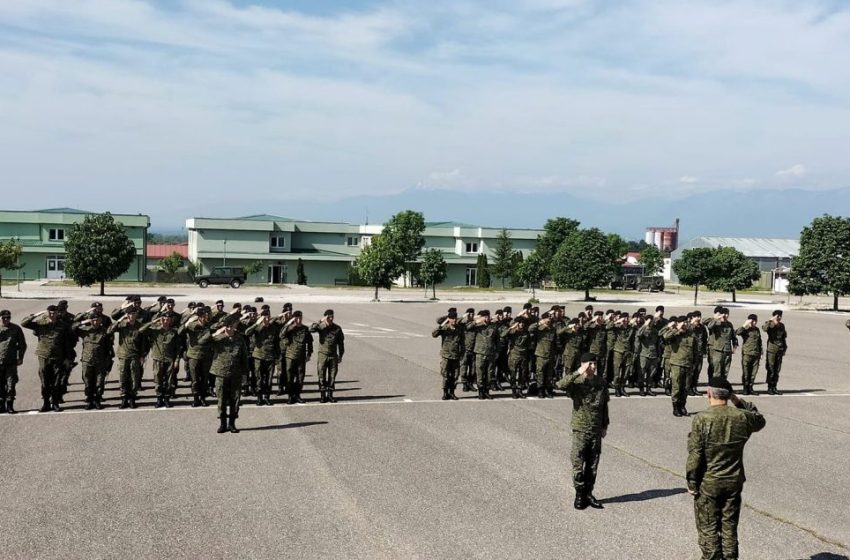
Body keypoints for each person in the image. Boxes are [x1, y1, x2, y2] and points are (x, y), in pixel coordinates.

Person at [687, 377, 766, 560]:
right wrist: (737, 401)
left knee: (708, 527)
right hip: (734, 480)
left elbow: (695, 454)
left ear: (708, 394)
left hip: (709, 482)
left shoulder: (702, 419)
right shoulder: (742, 417)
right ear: (728, 395)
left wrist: (692, 481)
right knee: (729, 525)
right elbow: (760, 420)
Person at [556, 353, 609, 510]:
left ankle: (589, 493)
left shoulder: (601, 382)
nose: (593, 367)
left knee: (593, 464)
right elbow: (560, 385)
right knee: (578, 462)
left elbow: (604, 405)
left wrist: (605, 426)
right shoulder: (577, 382)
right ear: (584, 365)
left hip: (595, 429)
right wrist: (578, 372)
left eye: (595, 364)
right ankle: (579, 494)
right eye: (590, 364)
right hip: (581, 429)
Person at [202, 315, 250, 433]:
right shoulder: (218, 338)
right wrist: (215, 331)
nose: (230, 328)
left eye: (232, 326)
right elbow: (202, 341)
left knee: (235, 399)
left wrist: (245, 376)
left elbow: (244, 357)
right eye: (228, 326)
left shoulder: (240, 339)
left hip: (236, 373)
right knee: (221, 400)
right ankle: (223, 424)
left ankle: (232, 424)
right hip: (221, 373)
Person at [21, 305, 70, 412]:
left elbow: (67, 342)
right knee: (45, 381)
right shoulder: (40, 324)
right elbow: (24, 323)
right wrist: (35, 315)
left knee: (56, 381)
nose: (52, 315)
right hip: (44, 356)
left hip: (58, 357)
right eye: (50, 313)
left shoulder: (63, 325)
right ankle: (46, 403)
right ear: (47, 313)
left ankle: (55, 403)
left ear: (58, 313)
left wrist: (67, 358)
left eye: (54, 313)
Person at [107, 307, 147, 409]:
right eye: (129, 314)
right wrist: (120, 320)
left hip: (135, 356)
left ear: (136, 315)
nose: (131, 316)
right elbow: (109, 331)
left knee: (134, 378)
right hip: (123, 355)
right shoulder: (122, 325)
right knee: (123, 377)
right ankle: (124, 398)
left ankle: (132, 398)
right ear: (126, 315)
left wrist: (143, 355)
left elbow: (143, 342)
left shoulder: (140, 326)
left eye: (133, 314)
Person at [72, 314, 113, 410]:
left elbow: (109, 346)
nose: (95, 322)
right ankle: (89, 400)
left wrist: (109, 360)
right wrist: (83, 322)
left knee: (99, 382)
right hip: (87, 360)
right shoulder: (85, 330)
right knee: (88, 382)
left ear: (100, 321)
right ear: (90, 321)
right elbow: (72, 328)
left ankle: (97, 400)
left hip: (100, 361)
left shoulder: (104, 331)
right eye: (93, 320)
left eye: (97, 320)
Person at [139, 315, 181, 408]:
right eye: (163, 319)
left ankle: (166, 399)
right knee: (158, 380)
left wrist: (177, 360)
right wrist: (153, 322)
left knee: (169, 381)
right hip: (158, 359)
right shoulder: (155, 331)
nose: (165, 321)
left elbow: (178, 348)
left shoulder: (174, 332)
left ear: (170, 321)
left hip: (169, 359)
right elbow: (141, 330)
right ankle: (159, 399)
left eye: (167, 319)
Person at [179, 307, 214, 407]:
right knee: (195, 380)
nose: (204, 318)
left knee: (204, 379)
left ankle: (202, 398)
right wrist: (187, 322)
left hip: (206, 356)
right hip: (193, 356)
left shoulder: (209, 326)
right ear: (199, 316)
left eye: (206, 316)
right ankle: (195, 398)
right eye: (202, 316)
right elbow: (179, 332)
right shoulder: (192, 325)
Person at [246, 307, 280, 406]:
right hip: (259, 357)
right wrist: (257, 323)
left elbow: (277, 343)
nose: (266, 319)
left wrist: (277, 357)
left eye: (267, 317)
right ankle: (259, 397)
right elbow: (247, 332)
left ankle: (267, 397)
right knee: (259, 378)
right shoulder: (256, 327)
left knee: (269, 379)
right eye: (264, 317)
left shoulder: (273, 328)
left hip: (270, 357)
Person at [310, 309, 346, 403]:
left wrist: (340, 355)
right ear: (326, 317)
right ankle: (322, 395)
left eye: (332, 317)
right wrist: (320, 321)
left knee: (332, 376)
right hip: (323, 355)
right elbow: (311, 329)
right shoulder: (321, 327)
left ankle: (330, 395)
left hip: (333, 355)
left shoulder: (337, 328)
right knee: (321, 376)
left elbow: (341, 343)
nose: (331, 319)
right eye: (329, 317)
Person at [663, 316, 695, 417]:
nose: (685, 324)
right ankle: (675, 407)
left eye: (686, 322)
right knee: (676, 387)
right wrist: (677, 329)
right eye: (682, 322)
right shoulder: (674, 334)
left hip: (688, 364)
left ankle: (682, 406)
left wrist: (694, 363)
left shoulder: (691, 334)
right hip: (677, 364)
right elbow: (665, 336)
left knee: (685, 387)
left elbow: (695, 350)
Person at [466, 310, 499, 400]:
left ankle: (487, 391)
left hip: (491, 353)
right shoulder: (477, 326)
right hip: (480, 353)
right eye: (485, 317)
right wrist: (476, 321)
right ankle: (480, 391)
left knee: (489, 373)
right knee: (480, 373)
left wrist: (497, 352)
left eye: (488, 316)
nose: (487, 318)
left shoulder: (493, 326)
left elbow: (497, 340)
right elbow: (468, 327)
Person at [281, 311, 313, 404]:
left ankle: (297, 395)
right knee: (289, 377)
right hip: (290, 356)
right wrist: (288, 324)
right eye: (297, 318)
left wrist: (309, 354)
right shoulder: (290, 329)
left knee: (300, 377)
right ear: (294, 319)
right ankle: (290, 396)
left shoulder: (305, 329)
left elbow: (309, 342)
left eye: (300, 318)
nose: (299, 320)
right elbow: (281, 335)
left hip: (301, 357)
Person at [431, 310, 463, 400]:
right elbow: (434, 334)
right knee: (445, 375)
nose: (454, 320)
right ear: (449, 319)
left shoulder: (459, 329)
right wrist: (441, 325)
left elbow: (462, 343)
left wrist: (462, 354)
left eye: (455, 318)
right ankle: (445, 393)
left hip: (456, 356)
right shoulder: (444, 328)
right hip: (446, 356)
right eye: (452, 318)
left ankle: (452, 392)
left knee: (455, 376)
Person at [0, 310, 27, 414]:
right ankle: (1, 405)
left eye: (8, 317)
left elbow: (22, 344)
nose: (6, 320)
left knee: (11, 384)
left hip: (11, 362)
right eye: (4, 318)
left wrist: (20, 357)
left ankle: (10, 405)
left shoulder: (16, 329)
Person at [704, 307, 738, 380]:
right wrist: (716, 318)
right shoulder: (716, 323)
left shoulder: (729, 324)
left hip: (727, 350)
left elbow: (733, 336)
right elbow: (709, 326)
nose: (726, 315)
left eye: (727, 314)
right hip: (717, 350)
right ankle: (714, 386)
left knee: (726, 370)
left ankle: (723, 386)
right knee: (716, 370)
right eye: (724, 314)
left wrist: (735, 346)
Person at [761, 310, 787, 395]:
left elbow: (783, 338)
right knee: (771, 369)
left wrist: (784, 348)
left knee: (777, 370)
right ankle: (769, 387)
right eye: (777, 316)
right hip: (772, 350)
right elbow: (764, 328)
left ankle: (774, 387)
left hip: (779, 350)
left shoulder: (782, 326)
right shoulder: (770, 324)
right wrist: (771, 320)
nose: (779, 318)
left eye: (780, 316)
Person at [735, 314, 762, 395]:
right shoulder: (745, 329)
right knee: (746, 373)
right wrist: (745, 324)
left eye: (755, 321)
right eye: (752, 321)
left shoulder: (757, 330)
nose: (754, 323)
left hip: (756, 354)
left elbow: (759, 342)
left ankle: (751, 388)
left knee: (753, 373)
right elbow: (737, 332)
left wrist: (761, 352)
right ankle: (745, 388)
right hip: (747, 353)